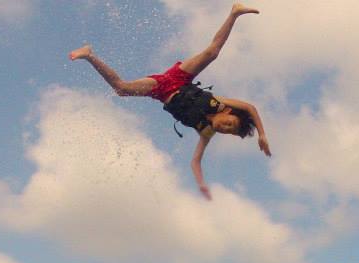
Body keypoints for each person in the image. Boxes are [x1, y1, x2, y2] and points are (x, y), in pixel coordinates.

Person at [69, 3, 271, 200]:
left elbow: (195, 161)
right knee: (212, 53)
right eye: (230, 124)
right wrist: (261, 134)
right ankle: (234, 13)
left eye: (228, 131)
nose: (225, 128)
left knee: (122, 89)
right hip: (178, 78)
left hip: (160, 90)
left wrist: (201, 183)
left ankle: (89, 55)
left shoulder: (205, 131)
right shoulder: (220, 103)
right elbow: (249, 107)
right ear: (228, 113)